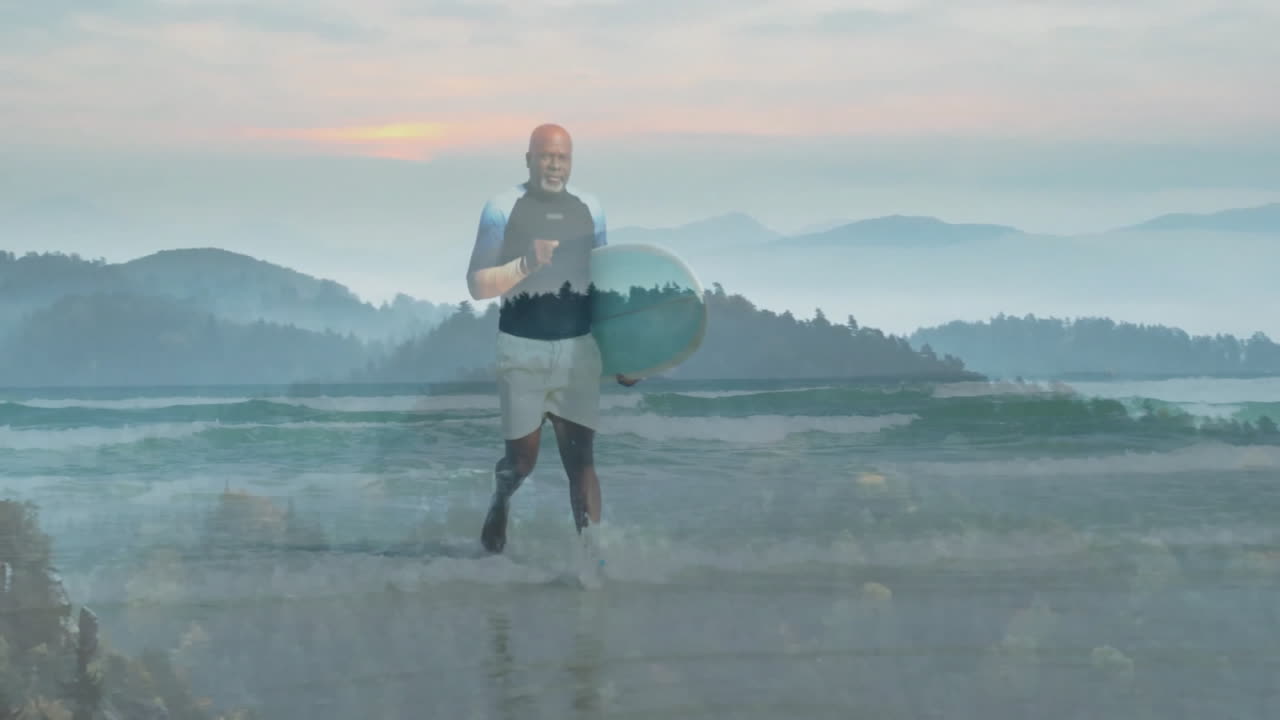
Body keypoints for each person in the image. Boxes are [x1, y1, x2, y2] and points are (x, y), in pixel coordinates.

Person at [466, 123, 637, 554]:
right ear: (529, 159)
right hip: (521, 348)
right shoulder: (501, 207)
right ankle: (501, 499)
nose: (554, 165)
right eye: (546, 156)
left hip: (579, 349)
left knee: (581, 462)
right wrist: (526, 262)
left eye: (562, 157)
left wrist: (621, 352)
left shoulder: (590, 208)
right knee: (522, 462)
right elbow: (478, 285)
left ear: (571, 161)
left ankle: (591, 560)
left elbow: (601, 282)